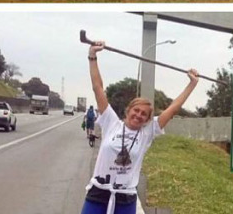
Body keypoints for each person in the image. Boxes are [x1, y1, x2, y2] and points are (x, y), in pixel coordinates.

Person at [82, 41, 199, 214]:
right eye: (136, 110)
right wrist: (92, 56)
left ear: (147, 119)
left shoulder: (147, 133)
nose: (139, 115)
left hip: (125, 197)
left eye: (144, 114)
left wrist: (192, 84)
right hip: (99, 192)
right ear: (128, 110)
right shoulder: (111, 122)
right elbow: (97, 88)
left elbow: (173, 108)